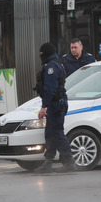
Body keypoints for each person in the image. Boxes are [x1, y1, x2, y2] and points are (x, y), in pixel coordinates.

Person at [36, 43, 73, 173]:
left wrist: (44, 106)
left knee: (56, 132)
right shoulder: (56, 63)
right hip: (57, 102)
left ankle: (69, 161)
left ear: (45, 53)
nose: (40, 56)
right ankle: (48, 162)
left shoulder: (51, 66)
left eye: (41, 54)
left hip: (55, 104)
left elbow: (50, 89)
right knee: (50, 133)